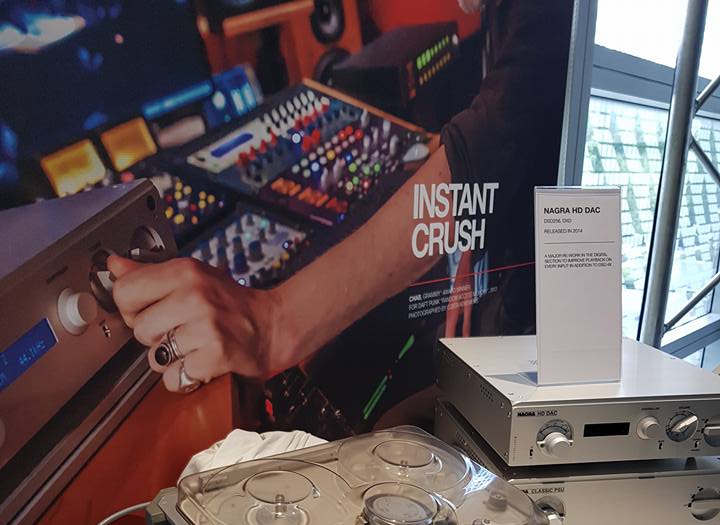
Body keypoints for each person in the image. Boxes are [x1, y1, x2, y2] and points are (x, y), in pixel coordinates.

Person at [110, 0, 573, 398]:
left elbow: (498, 135)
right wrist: (470, 223)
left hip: (549, 334)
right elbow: (500, 137)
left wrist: (273, 324)